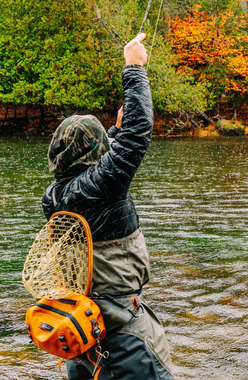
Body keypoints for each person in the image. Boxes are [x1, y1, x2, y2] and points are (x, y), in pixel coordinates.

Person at [41, 34, 173, 379]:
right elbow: (138, 134)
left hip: (81, 333)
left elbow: (102, 163)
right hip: (122, 337)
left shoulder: (54, 196)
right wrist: (134, 67)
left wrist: (112, 130)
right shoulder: (99, 186)